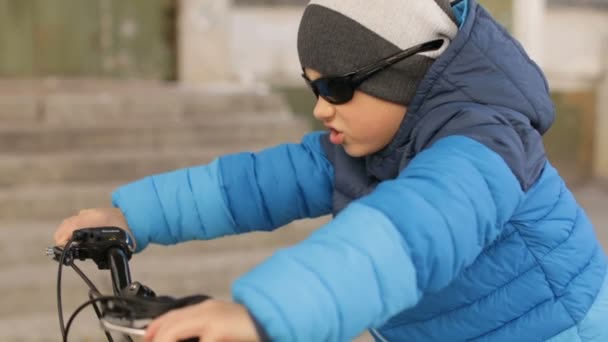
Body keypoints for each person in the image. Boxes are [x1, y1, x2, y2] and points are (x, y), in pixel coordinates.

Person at [54, 0, 608, 341]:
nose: (322, 107)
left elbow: (405, 234)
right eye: (312, 87)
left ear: (406, 77)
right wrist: (132, 215)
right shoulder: (363, 145)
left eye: (337, 87)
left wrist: (264, 315)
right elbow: (249, 185)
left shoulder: (483, 148)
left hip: (552, 331)